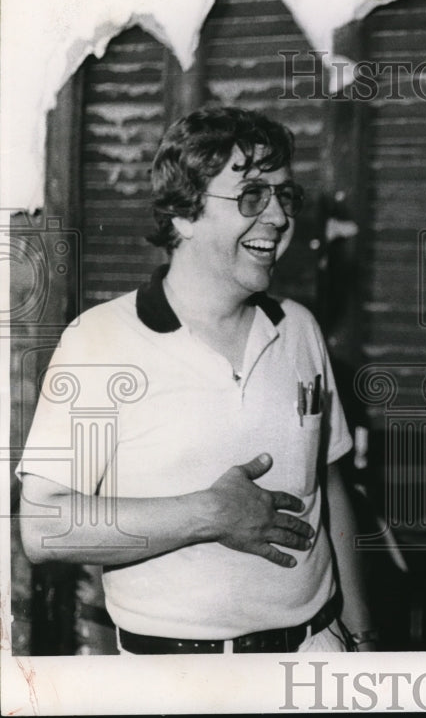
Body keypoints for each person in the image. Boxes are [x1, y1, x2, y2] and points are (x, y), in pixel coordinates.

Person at [18, 106, 377, 653]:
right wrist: (209, 514)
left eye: (286, 197)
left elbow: (328, 486)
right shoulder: (100, 342)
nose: (279, 218)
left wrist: (364, 636)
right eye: (253, 195)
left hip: (319, 649)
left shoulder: (299, 329)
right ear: (183, 216)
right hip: (180, 674)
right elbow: (43, 526)